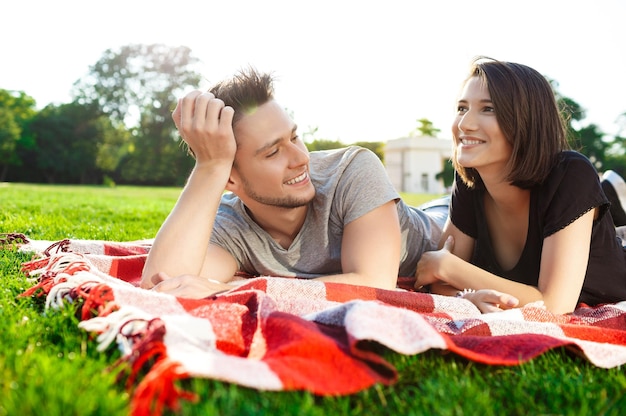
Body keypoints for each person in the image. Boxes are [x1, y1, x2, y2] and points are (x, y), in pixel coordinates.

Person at [140, 67, 447, 298]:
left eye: (295, 137)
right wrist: (210, 167)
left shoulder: (352, 169)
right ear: (230, 178)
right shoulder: (231, 223)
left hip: (447, 226)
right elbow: (163, 284)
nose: (301, 158)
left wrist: (236, 290)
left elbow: (373, 282)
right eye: (273, 151)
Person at [415, 56, 626, 314]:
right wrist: (464, 296)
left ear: (526, 120)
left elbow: (554, 304)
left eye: (488, 109)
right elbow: (435, 281)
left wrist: (449, 267)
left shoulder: (571, 173)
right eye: (462, 108)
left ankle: (612, 203)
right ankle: (612, 202)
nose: (464, 124)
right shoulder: (472, 178)